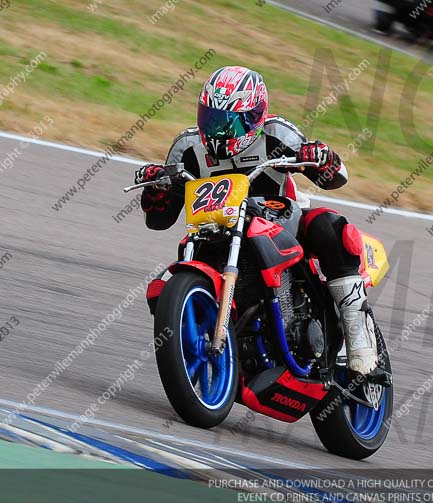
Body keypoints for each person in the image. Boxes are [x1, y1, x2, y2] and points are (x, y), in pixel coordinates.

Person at [133, 65, 378, 375]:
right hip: (214, 231)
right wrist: (156, 191)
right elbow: (159, 220)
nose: (220, 131)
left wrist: (320, 157)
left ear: (255, 116)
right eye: (212, 119)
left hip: (282, 223)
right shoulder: (187, 148)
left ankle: (359, 337)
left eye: (231, 122)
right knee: (171, 280)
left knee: (329, 226)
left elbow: (336, 178)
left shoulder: (278, 134)